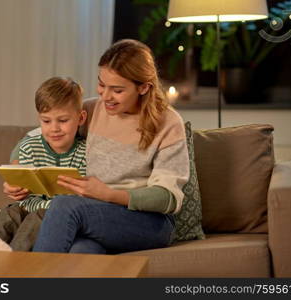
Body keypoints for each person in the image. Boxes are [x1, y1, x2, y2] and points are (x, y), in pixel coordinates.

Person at [32, 39, 190, 254]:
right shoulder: (91, 110)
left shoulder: (168, 123)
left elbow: (168, 198)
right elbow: (38, 136)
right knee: (82, 251)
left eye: (117, 90)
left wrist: (109, 195)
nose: (105, 96)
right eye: (101, 84)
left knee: (64, 205)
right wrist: (18, 172)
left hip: (150, 223)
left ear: (143, 87)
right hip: (98, 216)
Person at [0, 76, 87, 251]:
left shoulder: (85, 152)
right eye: (46, 121)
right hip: (31, 208)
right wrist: (20, 192)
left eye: (63, 120)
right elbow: (26, 200)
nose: (54, 128)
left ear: (81, 118)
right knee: (10, 211)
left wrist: (43, 207)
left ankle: (14, 256)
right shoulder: (30, 147)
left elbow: (80, 200)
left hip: (60, 217)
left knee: (38, 216)